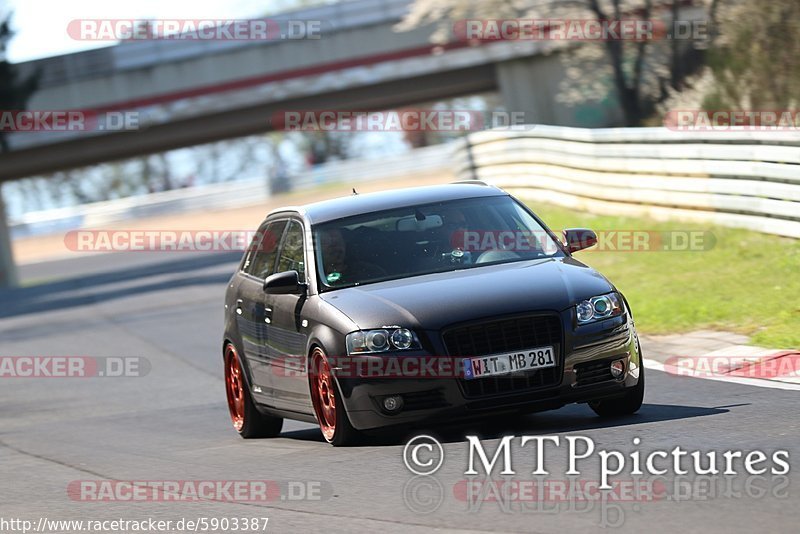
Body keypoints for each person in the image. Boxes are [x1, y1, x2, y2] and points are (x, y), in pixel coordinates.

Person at [317, 228, 385, 285]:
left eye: (338, 242)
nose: (336, 248)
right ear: (318, 249)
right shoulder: (314, 279)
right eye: (329, 245)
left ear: (344, 244)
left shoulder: (369, 271)